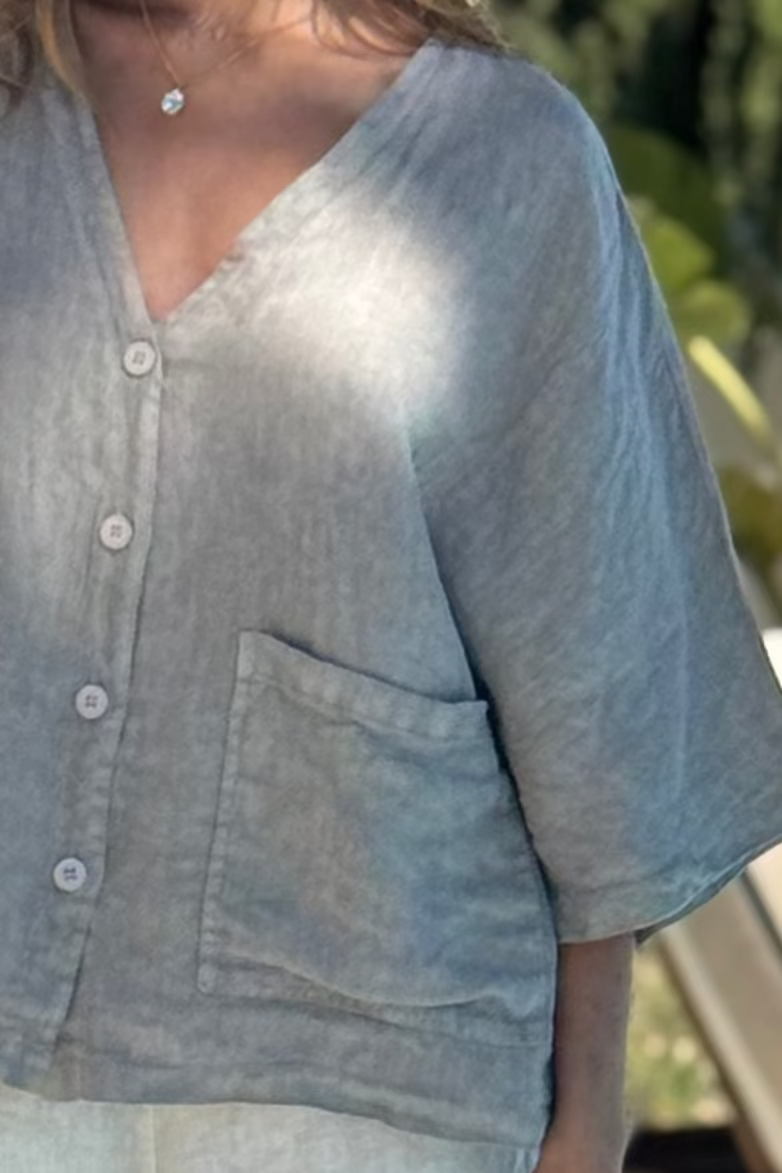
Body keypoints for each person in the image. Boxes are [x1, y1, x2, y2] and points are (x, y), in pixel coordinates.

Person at [1, 2, 781, 1171]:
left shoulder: (506, 156)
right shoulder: (16, 106)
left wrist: (585, 1113)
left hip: (375, 1087)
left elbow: (598, 673)